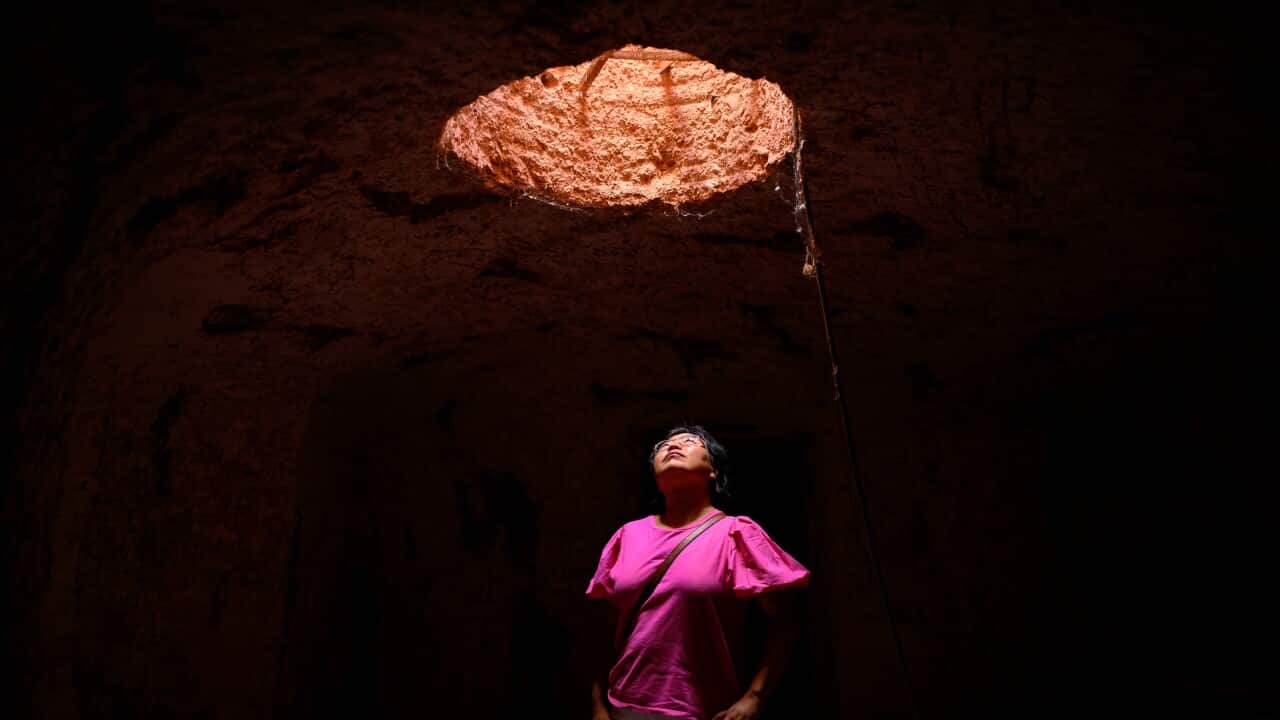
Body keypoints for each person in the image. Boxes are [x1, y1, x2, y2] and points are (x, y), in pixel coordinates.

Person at [586, 425, 810, 720]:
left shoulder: (736, 534)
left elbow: (786, 619)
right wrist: (597, 704)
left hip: (703, 711)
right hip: (624, 708)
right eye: (663, 445)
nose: (672, 446)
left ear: (713, 471)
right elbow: (603, 626)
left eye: (690, 441)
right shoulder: (627, 536)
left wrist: (755, 696)